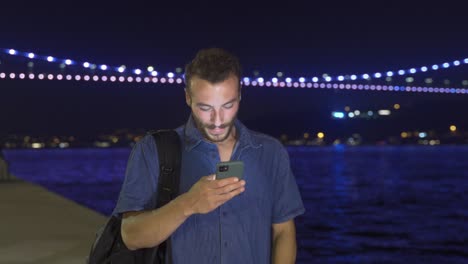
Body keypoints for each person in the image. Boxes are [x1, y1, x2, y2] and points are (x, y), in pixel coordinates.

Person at [113, 48, 305, 263]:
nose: (217, 120)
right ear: (188, 97)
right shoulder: (152, 150)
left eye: (228, 106)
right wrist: (187, 204)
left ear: (240, 93)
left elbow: (283, 232)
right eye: (205, 108)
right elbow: (131, 236)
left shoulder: (271, 152)